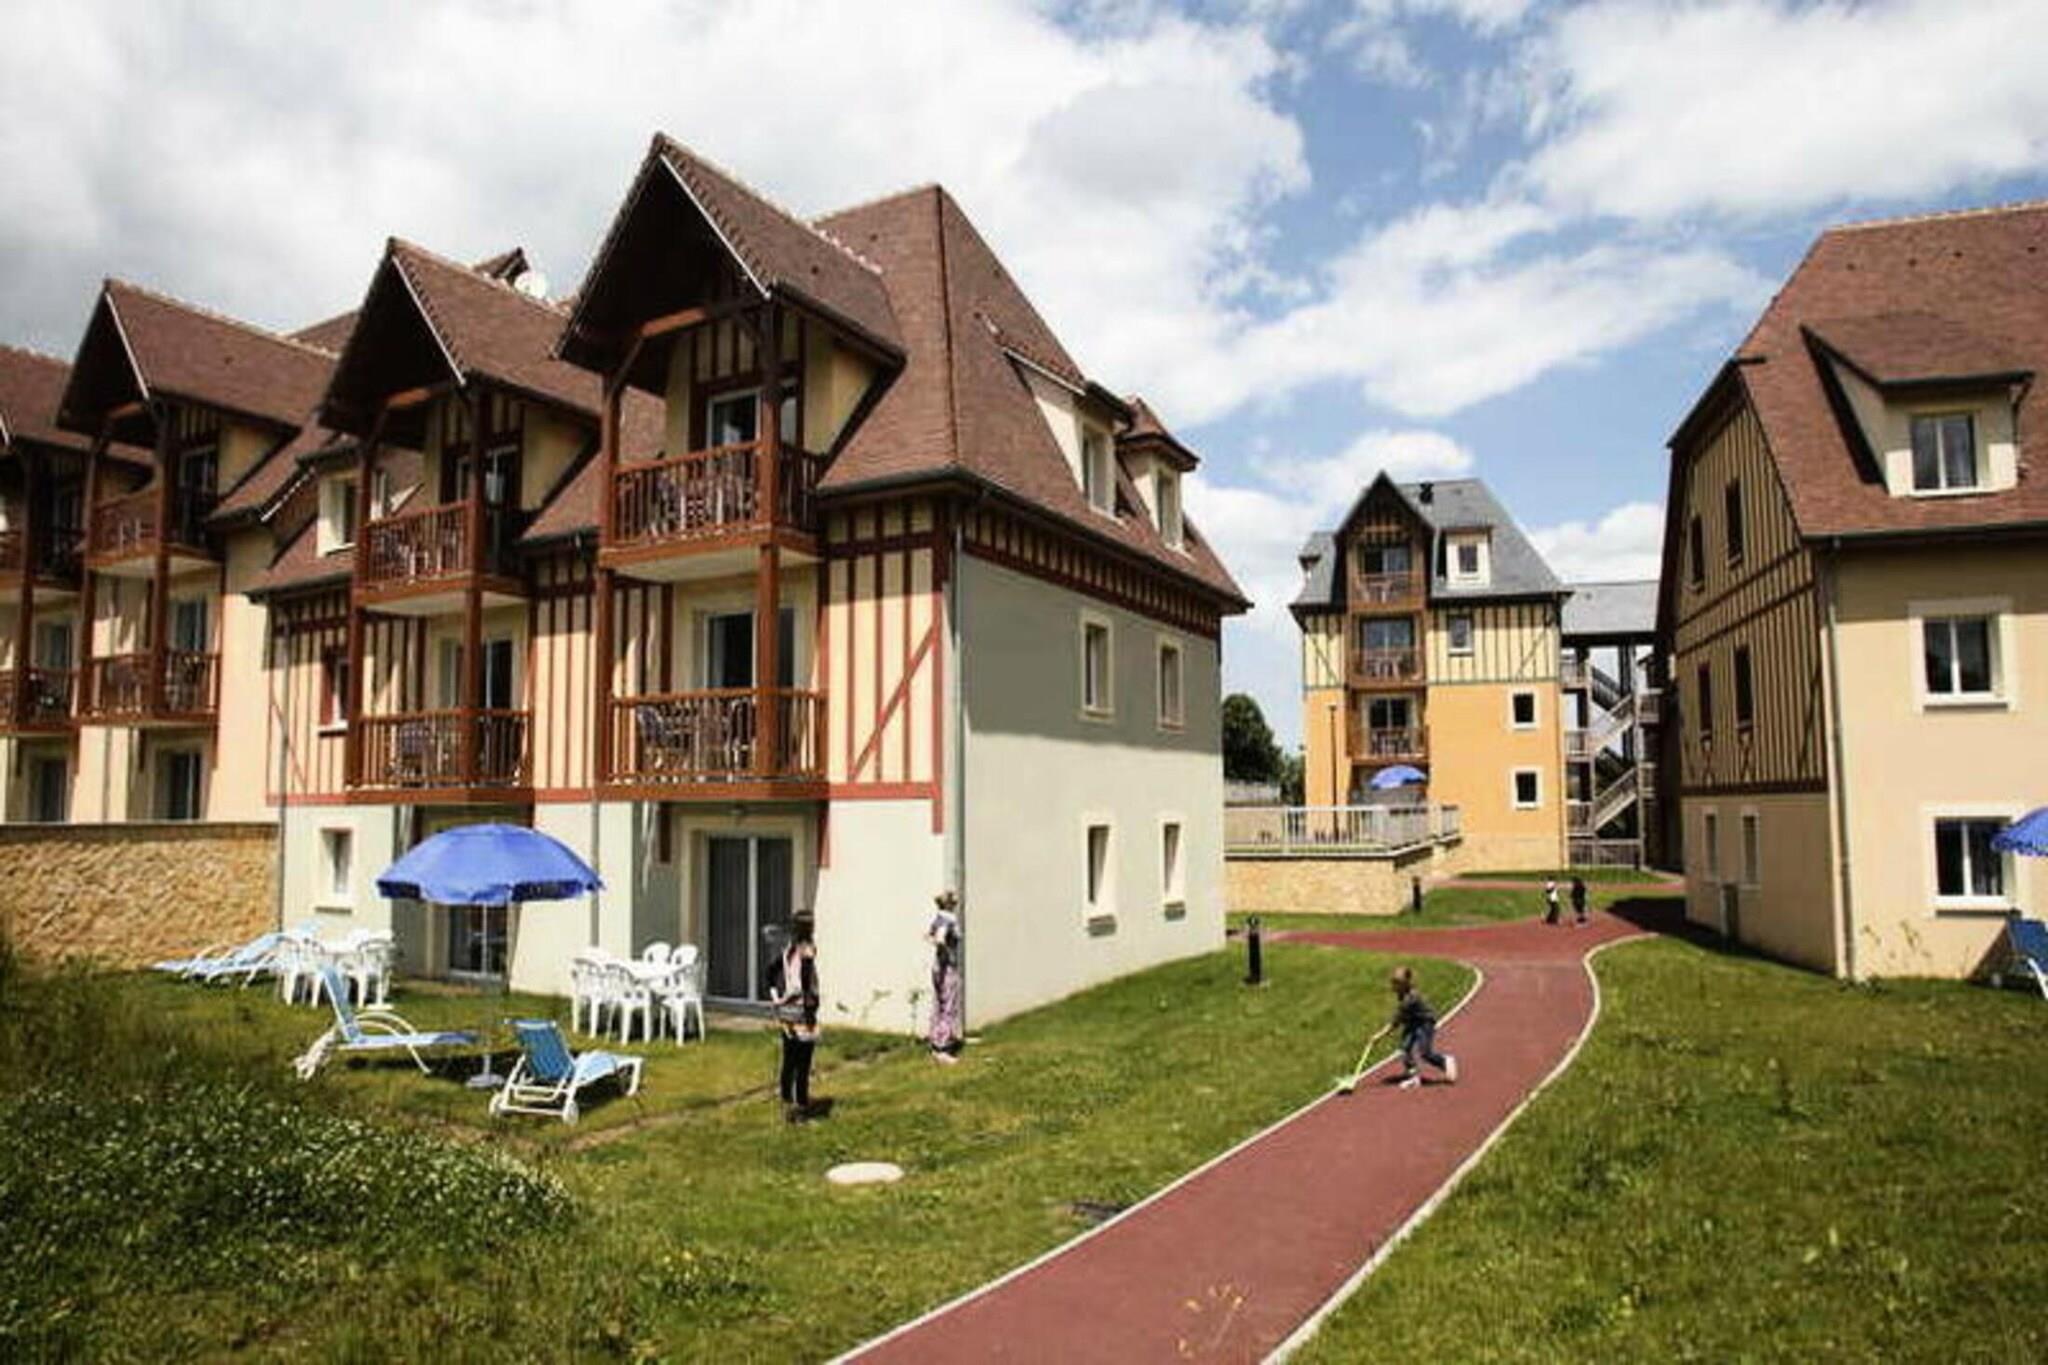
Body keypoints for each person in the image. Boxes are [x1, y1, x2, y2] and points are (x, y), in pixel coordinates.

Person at [768, 912, 820, 1122]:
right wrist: (808, 1004)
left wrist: (777, 998)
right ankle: (801, 1108)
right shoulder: (807, 950)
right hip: (801, 1012)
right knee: (803, 1063)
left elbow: (770, 973)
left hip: (787, 1014)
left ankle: (786, 1103)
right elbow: (804, 984)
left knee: (789, 1060)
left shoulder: (788, 951)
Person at [1389, 965, 1457, 1088]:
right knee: (1405, 1048)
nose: (1393, 985)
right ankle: (1413, 1077)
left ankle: (1445, 1061)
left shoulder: (1411, 998)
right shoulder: (1402, 993)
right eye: (1393, 982)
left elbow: (1396, 1021)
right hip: (1413, 1022)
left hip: (1425, 1023)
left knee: (1425, 1053)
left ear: (1406, 983)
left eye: (1397, 982)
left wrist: (1379, 1035)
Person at [926, 890, 964, 1063]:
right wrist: (947, 952)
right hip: (947, 967)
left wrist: (938, 944)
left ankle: (936, 1041)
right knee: (949, 1006)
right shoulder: (949, 920)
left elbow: (929, 936)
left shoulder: (938, 918)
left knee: (939, 1004)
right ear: (949, 904)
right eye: (953, 900)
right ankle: (943, 1048)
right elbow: (940, 939)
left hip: (937, 967)